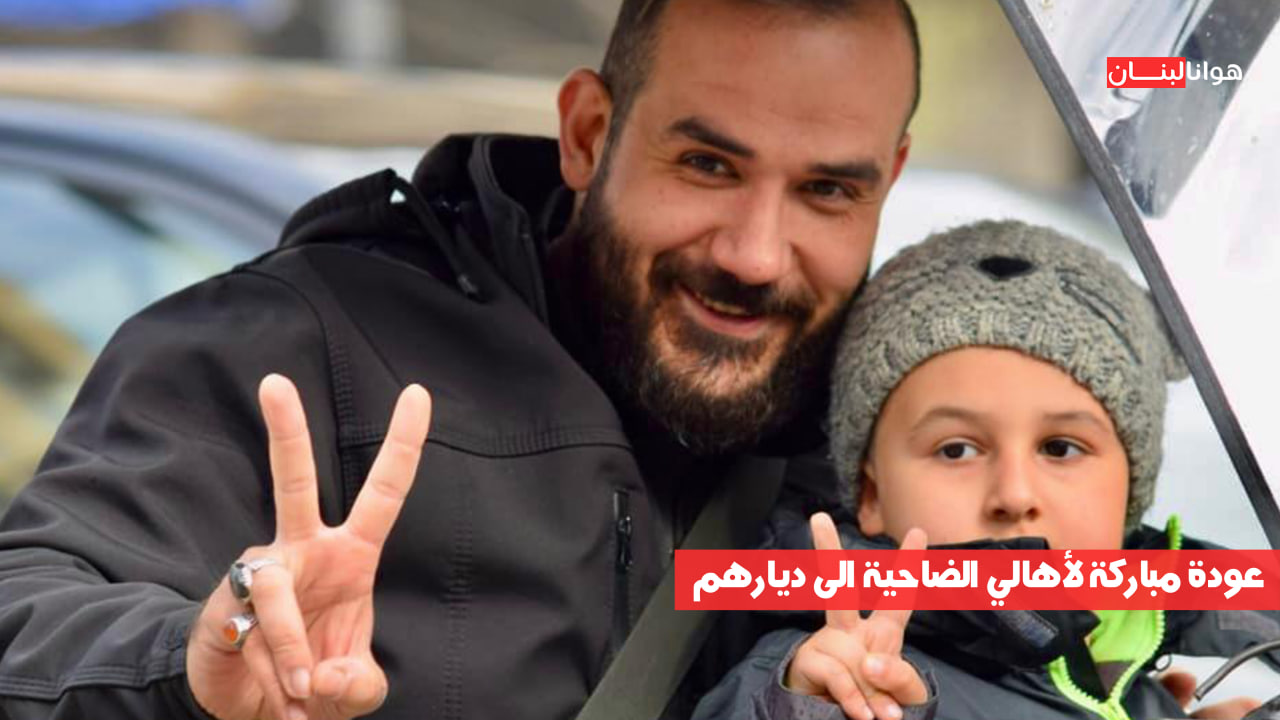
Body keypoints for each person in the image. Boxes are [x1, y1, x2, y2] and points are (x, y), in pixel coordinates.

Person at [0, 0, 920, 718]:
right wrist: (195, 669)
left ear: (891, 178)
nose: (754, 256)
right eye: (708, 166)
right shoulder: (297, 341)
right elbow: (27, 619)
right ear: (588, 134)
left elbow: (1000, 598)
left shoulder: (905, 422)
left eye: (827, 190)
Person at [691, 220, 1280, 720]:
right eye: (956, 450)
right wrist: (808, 704)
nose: (1014, 494)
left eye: (1060, 448)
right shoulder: (849, 671)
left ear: (1130, 491)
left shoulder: (1138, 652)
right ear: (870, 493)